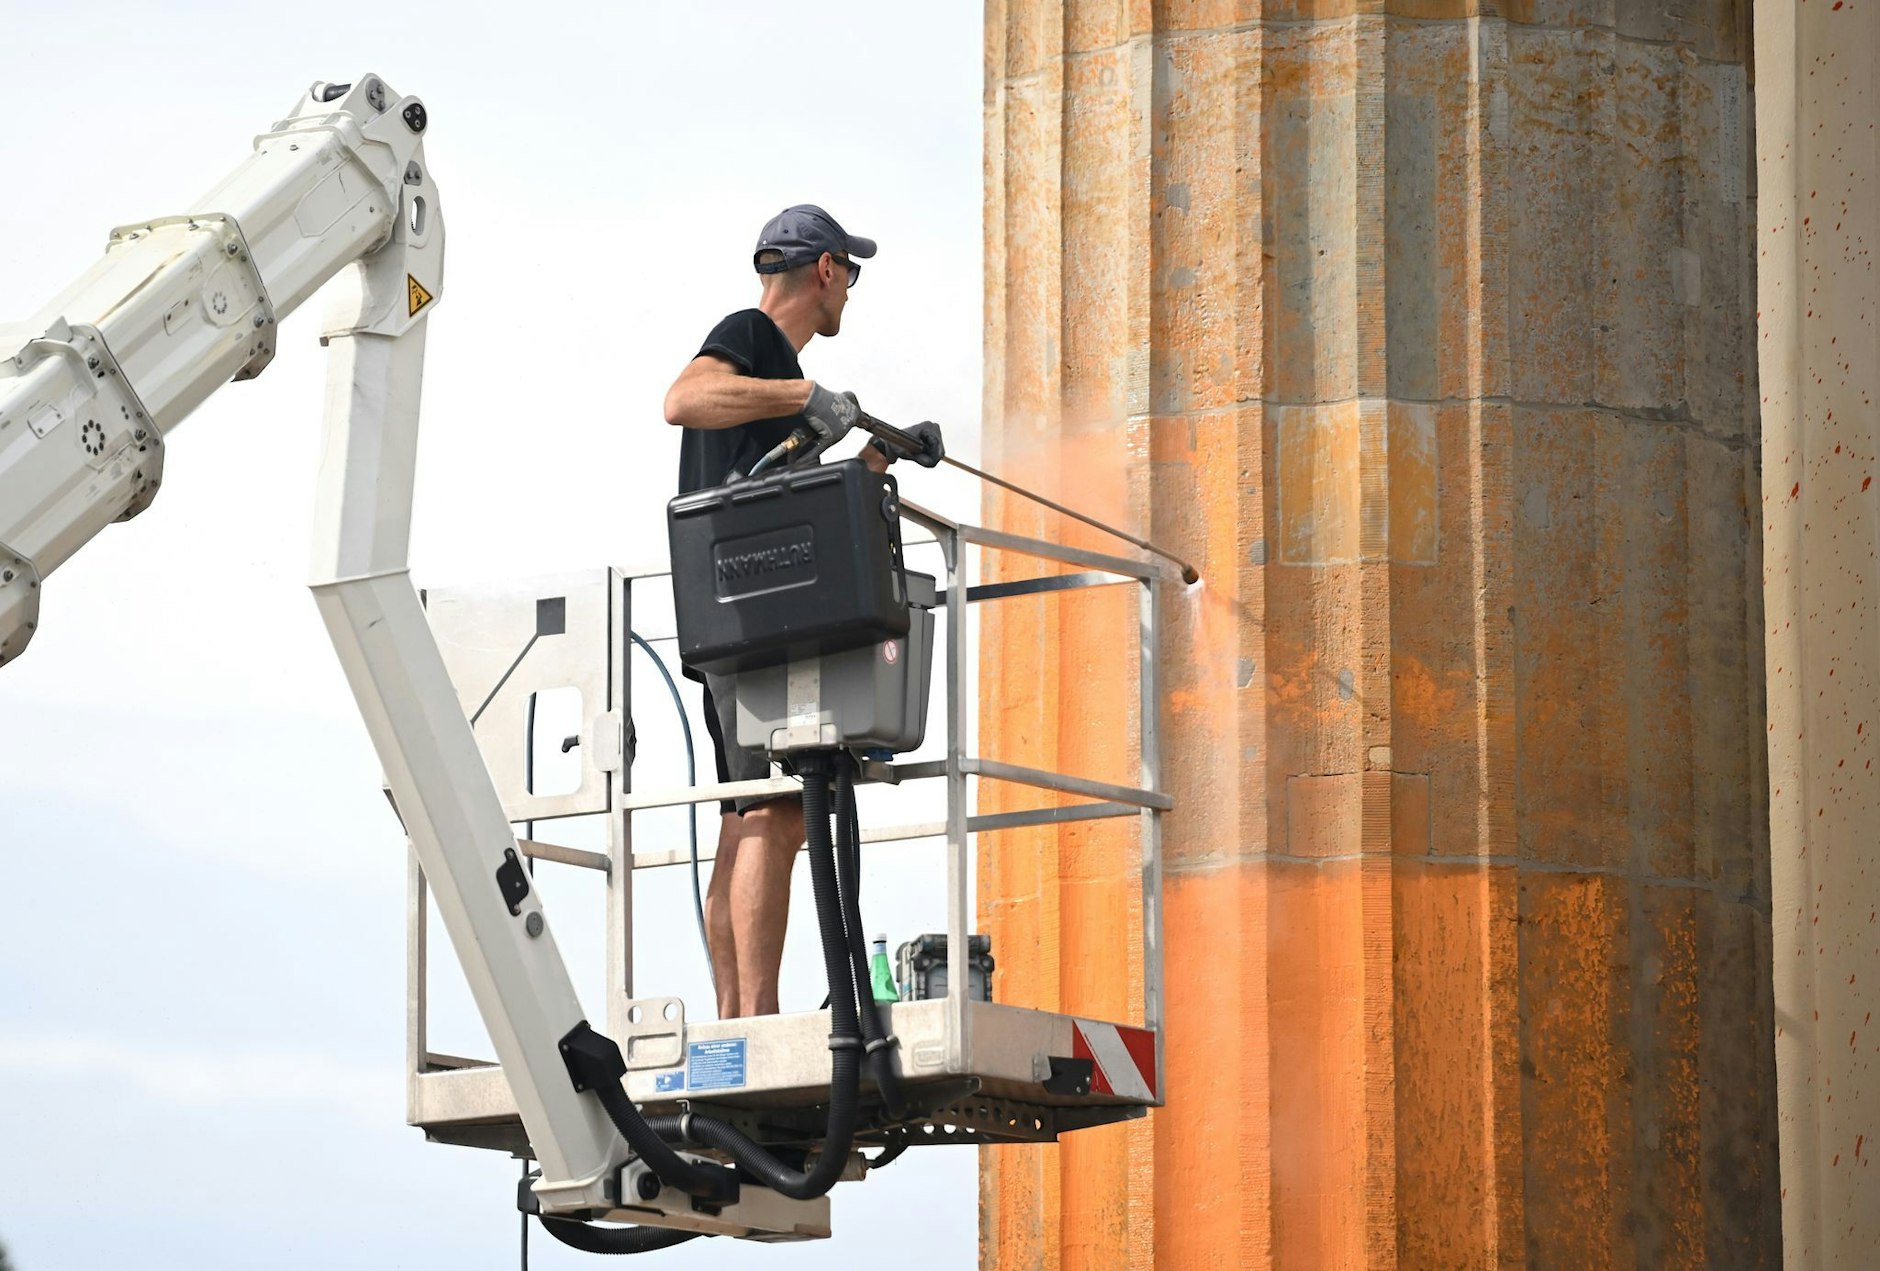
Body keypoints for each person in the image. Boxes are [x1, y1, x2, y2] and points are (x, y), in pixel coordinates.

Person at [662, 204, 887, 1020]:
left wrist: (871, 458)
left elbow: (781, 488)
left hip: (736, 611)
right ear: (824, 270)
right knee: (778, 812)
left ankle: (735, 1013)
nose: (850, 294)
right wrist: (801, 391)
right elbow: (683, 400)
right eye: (849, 276)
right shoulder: (754, 341)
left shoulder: (771, 390)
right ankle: (755, 1015)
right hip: (751, 616)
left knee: (743, 811)